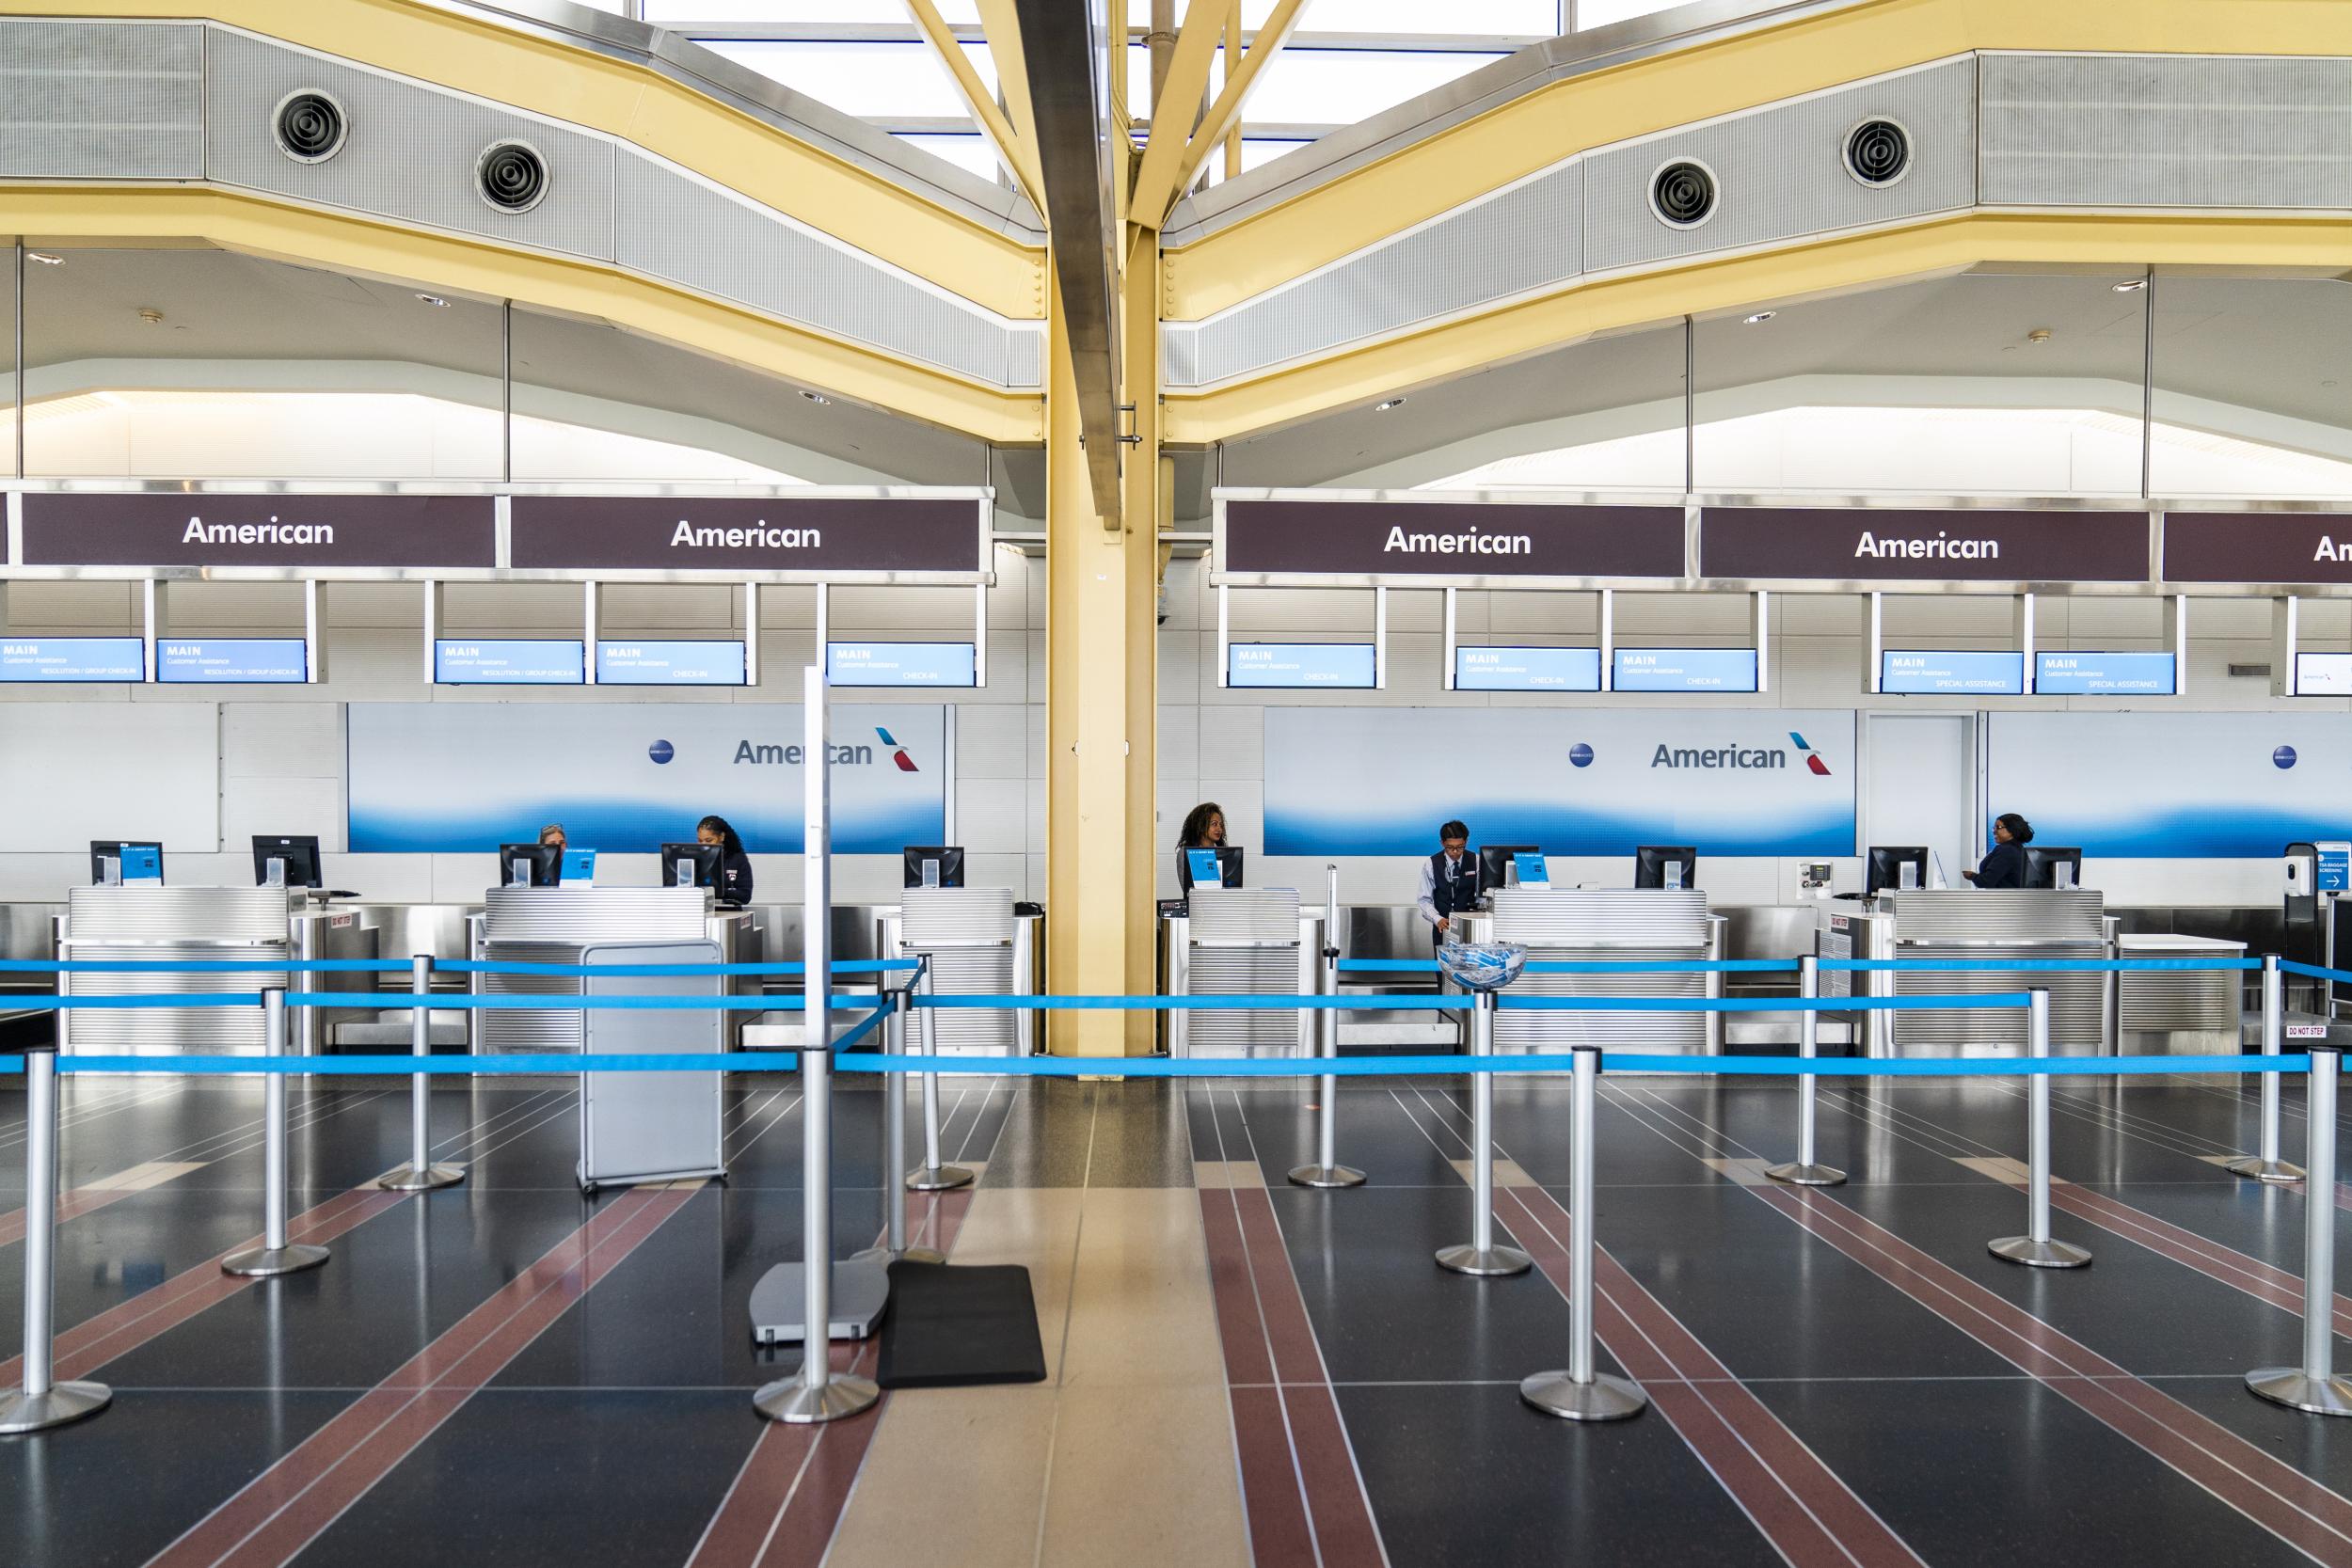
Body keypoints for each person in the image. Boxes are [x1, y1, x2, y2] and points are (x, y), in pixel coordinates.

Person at [1415, 820, 1480, 948]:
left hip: (1470, 928)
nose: (1455, 852)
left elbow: (1482, 895)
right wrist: (1437, 919)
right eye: (1450, 847)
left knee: (1469, 966)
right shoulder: (1431, 864)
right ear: (1442, 843)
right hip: (1442, 927)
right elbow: (1424, 899)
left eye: (1460, 847)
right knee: (1442, 966)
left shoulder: (1476, 860)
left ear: (1466, 842)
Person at [1964, 813, 2032, 889]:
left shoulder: (2007, 850)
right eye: (1994, 828)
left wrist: (1972, 876)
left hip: (2004, 899)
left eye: (1998, 827)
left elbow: (1986, 881)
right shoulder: (2018, 848)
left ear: (2012, 829)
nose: (1994, 831)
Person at [697, 815, 754, 905]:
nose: (704, 845)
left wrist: (718, 891)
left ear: (722, 837)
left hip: (730, 913)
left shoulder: (737, 859)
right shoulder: (695, 860)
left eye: (709, 840)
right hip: (701, 913)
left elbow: (745, 896)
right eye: (700, 841)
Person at [1175, 801, 1226, 894]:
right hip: (1198, 905)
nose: (1219, 829)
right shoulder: (1185, 854)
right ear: (1201, 826)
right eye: (1214, 824)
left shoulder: (1224, 853)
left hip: (1221, 904)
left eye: (1220, 825)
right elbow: (1188, 891)